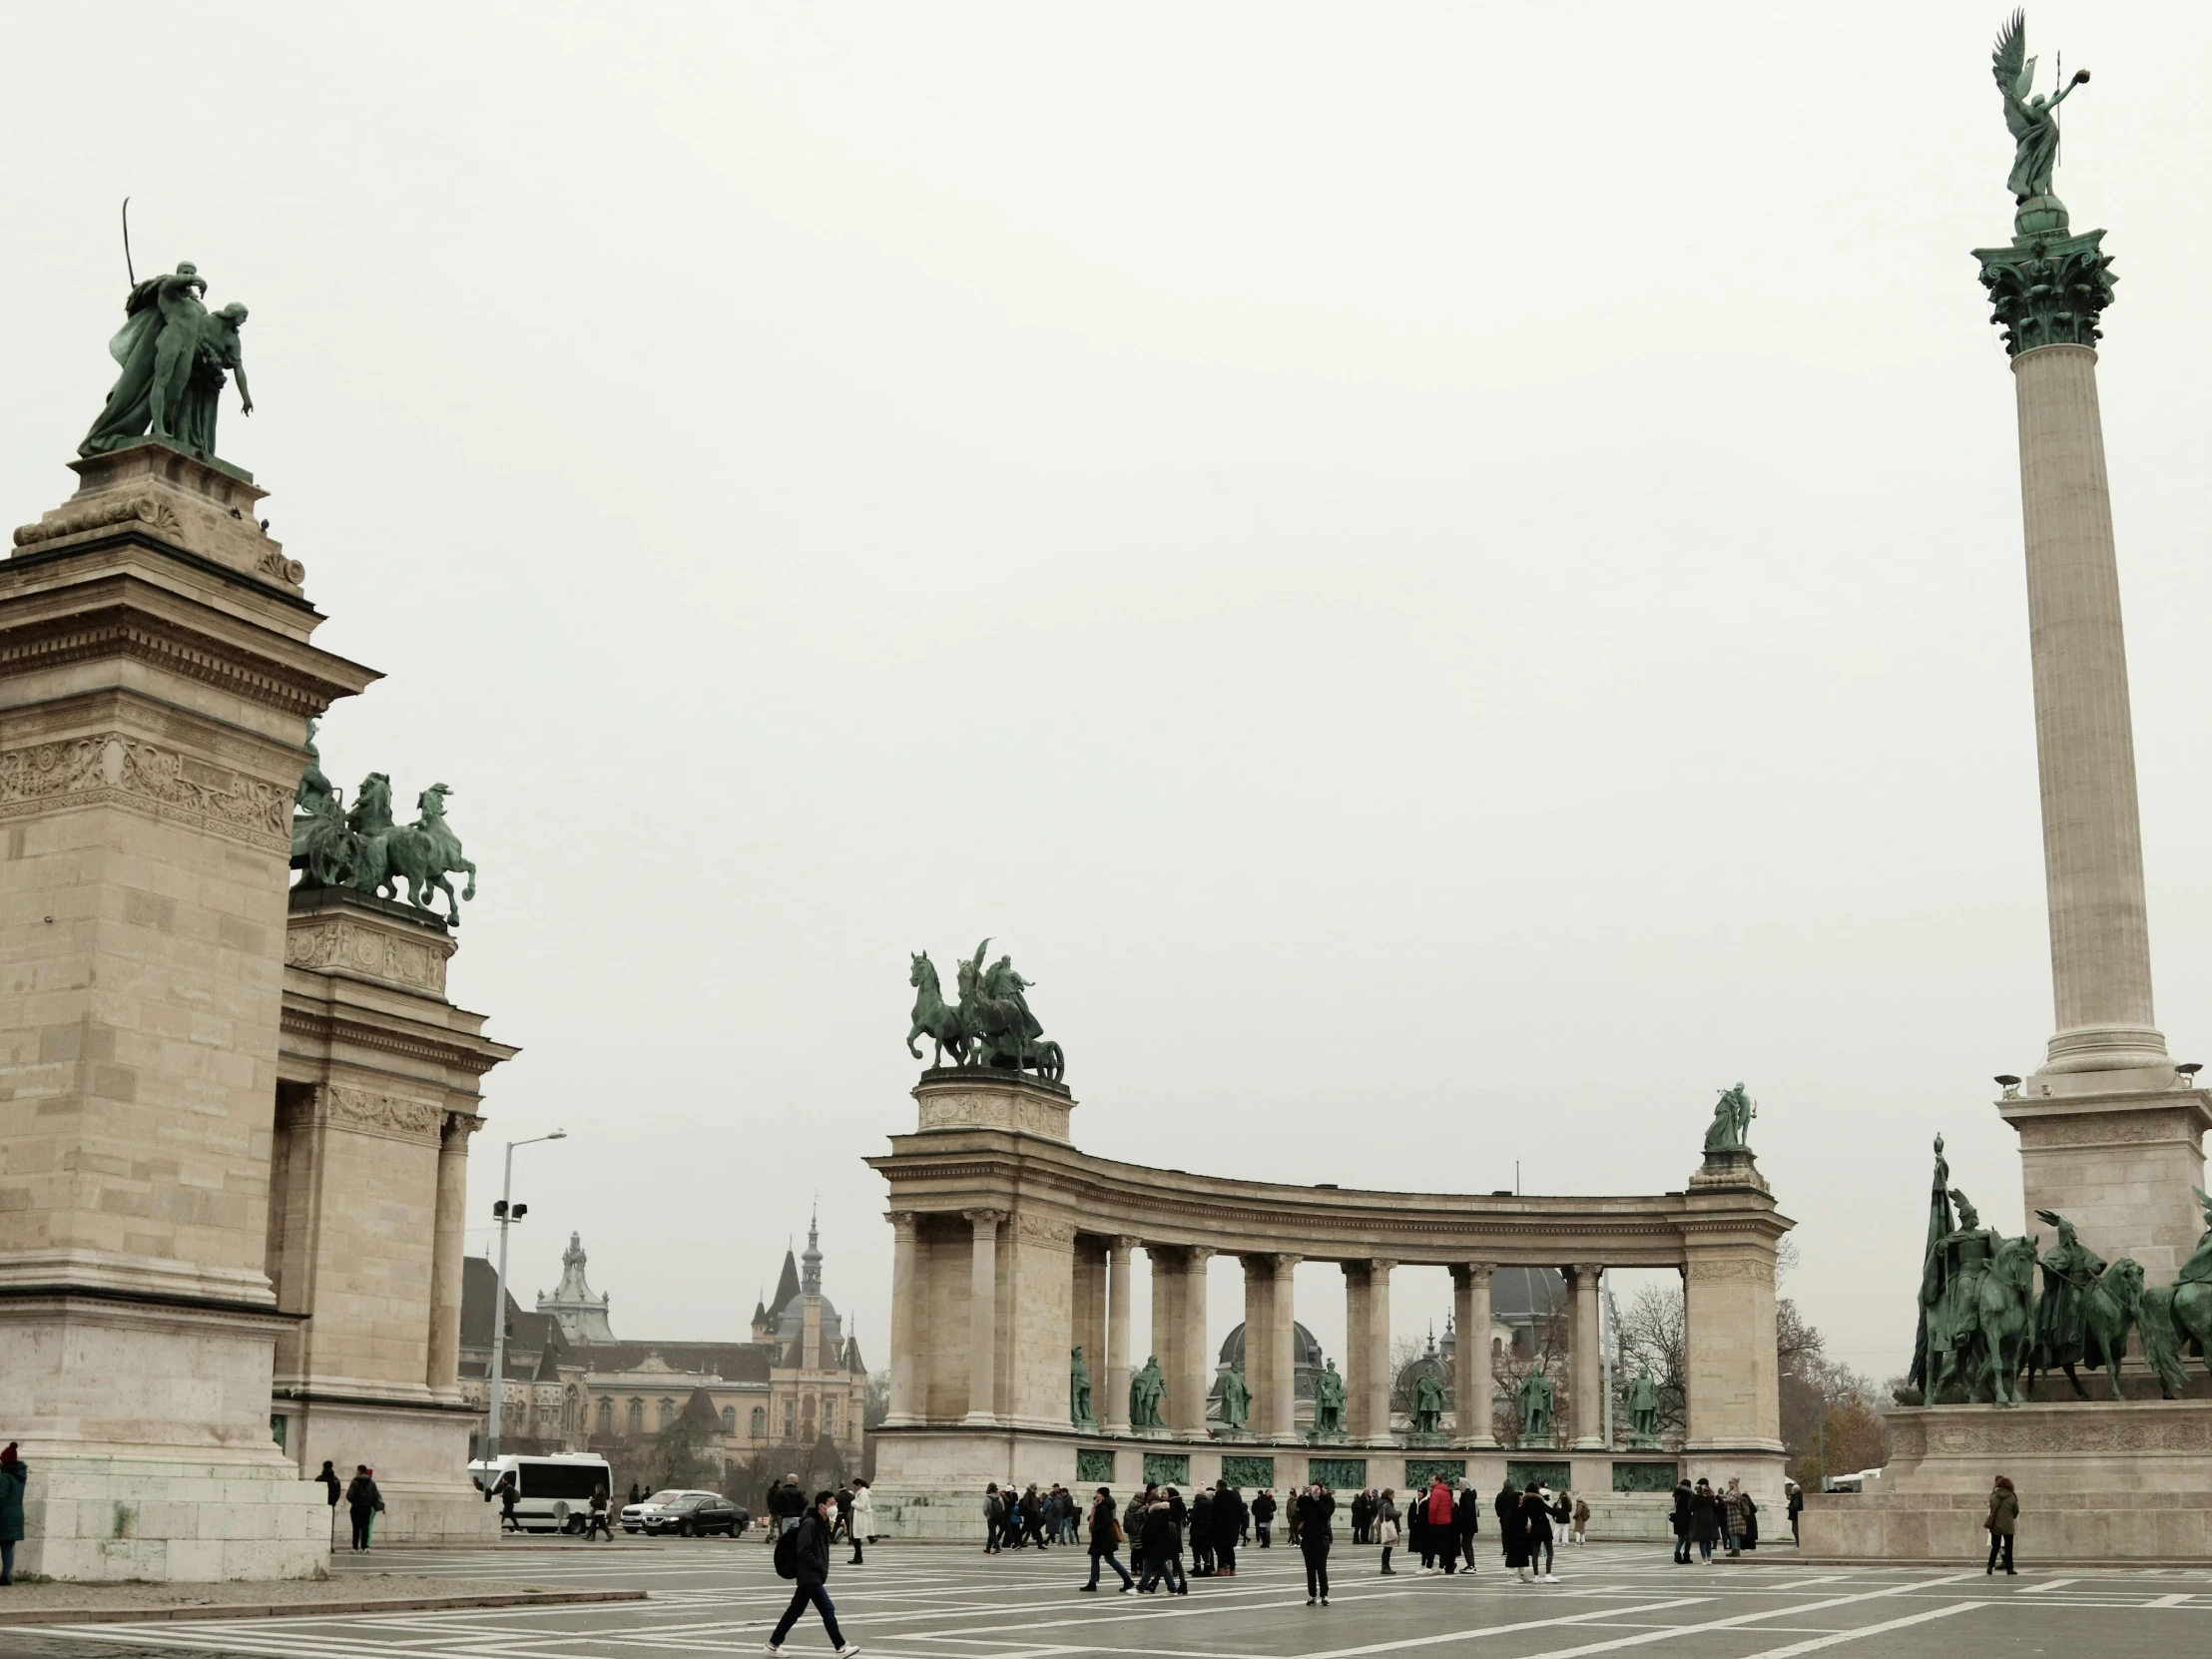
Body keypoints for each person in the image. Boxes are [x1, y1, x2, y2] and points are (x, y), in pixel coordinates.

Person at [766, 1489, 860, 1657]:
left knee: (795, 1610)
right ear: (821, 1506)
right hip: (809, 1574)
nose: (835, 1507)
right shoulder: (810, 1523)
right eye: (832, 1504)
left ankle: (773, 1644)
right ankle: (840, 1646)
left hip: (811, 1574)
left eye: (835, 1504)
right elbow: (803, 1550)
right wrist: (818, 1566)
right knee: (827, 1608)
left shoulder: (822, 1523)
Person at [1079, 1486, 1134, 1592]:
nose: (1096, 1495)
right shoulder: (1102, 1505)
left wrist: (1095, 1528)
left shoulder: (1103, 1507)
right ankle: (1093, 1582)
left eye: (1098, 1493)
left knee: (1107, 1559)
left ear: (1103, 1494)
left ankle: (1126, 1580)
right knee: (1102, 1559)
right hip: (1103, 1538)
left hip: (1103, 1538)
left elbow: (1105, 1522)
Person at [1137, 1487, 1186, 1594]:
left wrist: (1156, 1508)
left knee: (1171, 1561)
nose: (1163, 1495)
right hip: (1170, 1537)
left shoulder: (1171, 1506)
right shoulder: (1174, 1504)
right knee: (1163, 1563)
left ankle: (1180, 1585)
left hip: (1170, 1538)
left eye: (1165, 1493)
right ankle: (1162, 1585)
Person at [1295, 1481, 1335, 1605]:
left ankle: (1324, 1595)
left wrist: (1318, 1499)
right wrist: (1303, 1495)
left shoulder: (1327, 1501)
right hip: (1307, 1538)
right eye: (1312, 1489)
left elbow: (1326, 1514)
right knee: (1310, 1569)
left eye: (1317, 1489)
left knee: (1321, 1569)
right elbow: (1299, 1511)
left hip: (1321, 1538)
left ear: (1322, 1490)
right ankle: (1312, 1595)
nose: (1314, 1491)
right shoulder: (1306, 1501)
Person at [0, 1443, 25, 1586]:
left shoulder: (4, 1478)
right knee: (8, 1548)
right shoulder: (19, 1478)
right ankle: (6, 1576)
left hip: (3, 1518)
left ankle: (4, 1576)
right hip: (15, 1517)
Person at [1499, 1478, 1532, 1584]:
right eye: (1520, 1499)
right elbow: (1511, 1525)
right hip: (1513, 1537)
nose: (1521, 1500)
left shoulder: (1521, 1509)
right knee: (1512, 1556)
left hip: (1522, 1536)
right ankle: (1511, 1575)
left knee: (1522, 1555)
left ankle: (1522, 1575)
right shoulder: (1510, 1512)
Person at [1523, 1484, 1557, 1583]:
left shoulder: (1525, 1502)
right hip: (1544, 1526)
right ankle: (1548, 1574)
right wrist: (1556, 1508)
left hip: (1534, 1527)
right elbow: (1550, 1511)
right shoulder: (1538, 1500)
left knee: (1535, 1553)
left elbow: (1523, 1515)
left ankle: (1536, 1576)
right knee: (1550, 1552)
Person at [344, 1464, 382, 1552]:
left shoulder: (354, 1481)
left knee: (356, 1527)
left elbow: (349, 1495)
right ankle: (365, 1547)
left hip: (356, 1507)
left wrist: (354, 1501)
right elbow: (376, 1495)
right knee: (365, 1527)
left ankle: (355, 1547)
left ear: (359, 1471)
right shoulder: (372, 1482)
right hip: (367, 1507)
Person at [1985, 1475, 2018, 1575]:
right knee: (2009, 1547)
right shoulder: (2012, 1496)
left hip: (1995, 1525)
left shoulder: (1993, 1496)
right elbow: (2016, 1511)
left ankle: (1990, 1566)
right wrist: (2010, 1517)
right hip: (2008, 1525)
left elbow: (1992, 1508)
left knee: (1995, 1547)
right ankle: (2010, 1569)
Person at [1425, 1477, 1458, 1575]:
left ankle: (1428, 1567)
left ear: (1437, 1481)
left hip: (1437, 1522)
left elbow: (1432, 1509)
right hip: (1446, 1522)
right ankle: (1441, 1566)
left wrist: (1431, 1521)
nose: (1430, 1481)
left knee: (1431, 1545)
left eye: (1432, 1480)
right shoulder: (1446, 1491)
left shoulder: (1436, 1492)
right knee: (1444, 1546)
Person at [1212, 1482, 1246, 1576]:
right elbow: (1240, 1510)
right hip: (1233, 1526)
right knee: (1229, 1548)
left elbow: (1214, 1512)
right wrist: (1241, 1524)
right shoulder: (1235, 1496)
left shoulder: (1218, 1496)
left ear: (1218, 1486)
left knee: (1220, 1548)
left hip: (1219, 1526)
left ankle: (1221, 1568)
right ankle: (1232, 1569)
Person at [1690, 1478, 1721, 1565]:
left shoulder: (1695, 1494)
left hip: (1699, 1517)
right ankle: (1709, 1559)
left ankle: (1704, 1560)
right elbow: (1715, 1506)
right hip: (1709, 1517)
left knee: (1702, 1539)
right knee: (1708, 1539)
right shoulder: (1711, 1494)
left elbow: (1690, 1507)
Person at [1454, 1479, 1481, 1572]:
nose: (1457, 1485)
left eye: (1459, 1484)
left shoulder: (1467, 1495)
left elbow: (1467, 1510)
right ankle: (1471, 1565)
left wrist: (1460, 1516)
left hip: (1468, 1525)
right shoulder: (1469, 1494)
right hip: (1470, 1524)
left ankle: (1471, 1565)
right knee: (1468, 1544)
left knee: (1466, 1544)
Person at [1189, 1487, 1215, 1575]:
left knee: (1196, 1548)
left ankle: (1197, 1567)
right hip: (1208, 1529)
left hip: (1197, 1529)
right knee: (1206, 1549)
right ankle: (1207, 1567)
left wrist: (1189, 1515)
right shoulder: (1211, 1503)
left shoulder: (1197, 1503)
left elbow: (1193, 1517)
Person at [1375, 1487, 1400, 1574]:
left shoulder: (1382, 1503)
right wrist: (1399, 1512)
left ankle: (1386, 1566)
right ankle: (1385, 1566)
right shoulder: (1387, 1505)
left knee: (1387, 1548)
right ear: (1389, 1495)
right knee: (1387, 1549)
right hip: (1388, 1528)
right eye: (1392, 1494)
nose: (1394, 1496)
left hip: (1385, 1527)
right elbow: (1394, 1514)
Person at [848, 1479, 873, 1565]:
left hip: (860, 1518)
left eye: (855, 1486)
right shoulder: (860, 1494)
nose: (854, 1488)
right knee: (856, 1538)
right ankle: (857, 1557)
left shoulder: (863, 1494)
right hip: (858, 1518)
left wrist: (853, 1503)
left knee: (856, 1538)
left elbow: (862, 1507)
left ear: (859, 1485)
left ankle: (858, 1557)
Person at [1721, 1478, 1747, 1558]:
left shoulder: (1735, 1492)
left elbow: (1732, 1500)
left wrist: (1723, 1499)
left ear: (1735, 1484)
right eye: (1729, 1483)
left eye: (1731, 1483)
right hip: (1733, 1515)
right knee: (1736, 1533)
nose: (1730, 1485)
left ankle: (1735, 1550)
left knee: (1734, 1533)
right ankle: (1736, 1549)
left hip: (1735, 1515)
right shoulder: (1733, 1492)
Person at [1671, 1478, 1694, 1565]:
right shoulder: (1687, 1494)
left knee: (1680, 1538)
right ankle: (1686, 1556)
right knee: (1688, 1539)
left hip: (1678, 1518)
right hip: (1686, 1518)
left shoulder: (1677, 1493)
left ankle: (1677, 1555)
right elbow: (1690, 1507)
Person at [981, 1483, 1005, 1554]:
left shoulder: (987, 1498)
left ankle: (997, 1547)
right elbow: (1003, 1507)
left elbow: (985, 1509)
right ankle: (988, 1548)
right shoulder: (999, 1497)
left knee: (992, 1532)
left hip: (991, 1517)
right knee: (991, 1532)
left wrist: (987, 1515)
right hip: (999, 1517)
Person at [1785, 1480, 1804, 1546]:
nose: (1791, 1490)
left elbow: (1795, 1506)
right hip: (1797, 1516)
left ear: (1795, 1490)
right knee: (1796, 1530)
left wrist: (1789, 1507)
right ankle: (1799, 1543)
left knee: (1795, 1530)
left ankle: (1798, 1544)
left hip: (1796, 1516)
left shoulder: (1796, 1498)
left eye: (1792, 1489)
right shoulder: (1799, 1496)